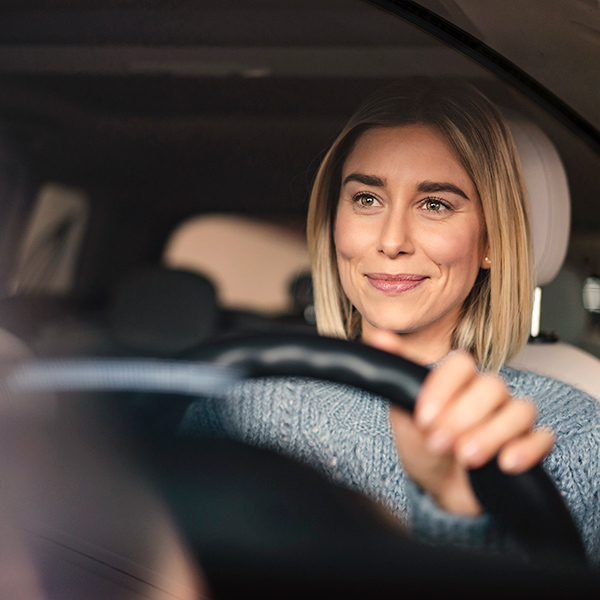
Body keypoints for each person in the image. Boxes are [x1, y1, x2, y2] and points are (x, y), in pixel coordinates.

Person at [180, 79, 600, 566]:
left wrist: (453, 505)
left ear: (491, 242)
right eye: (367, 200)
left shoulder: (577, 438)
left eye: (435, 204)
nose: (392, 239)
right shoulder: (238, 406)